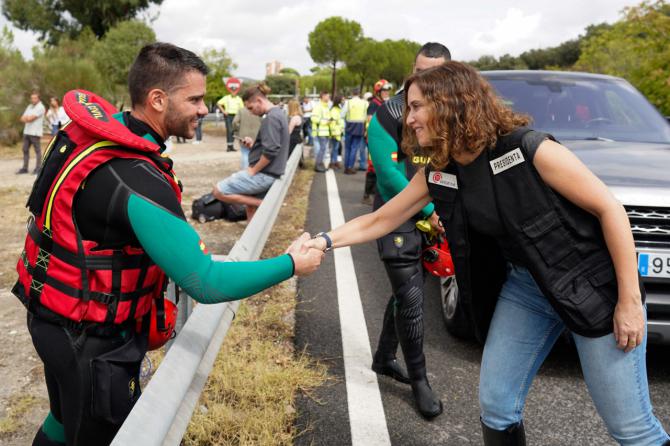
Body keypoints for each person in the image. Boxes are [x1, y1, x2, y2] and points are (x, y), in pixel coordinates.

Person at [304, 61, 670, 445]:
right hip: (527, 289)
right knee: (496, 407)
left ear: (451, 103)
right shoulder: (442, 169)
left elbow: (610, 209)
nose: (408, 118)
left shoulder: (530, 148)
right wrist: (323, 240)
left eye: (415, 106)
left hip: (592, 286)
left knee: (630, 427)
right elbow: (379, 219)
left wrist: (629, 302)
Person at [14, 43, 323, 446]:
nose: (202, 109)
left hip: (49, 318)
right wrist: (290, 264)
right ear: (157, 100)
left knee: (60, 421)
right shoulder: (135, 176)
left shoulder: (92, 138)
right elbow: (206, 282)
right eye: (194, 99)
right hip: (91, 342)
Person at [366, 42, 451, 419]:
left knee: (407, 290)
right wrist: (431, 210)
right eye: (422, 71)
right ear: (411, 70)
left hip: (439, 215)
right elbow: (389, 177)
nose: (428, 80)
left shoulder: (452, 110)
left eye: (437, 72)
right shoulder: (388, 114)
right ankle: (420, 382)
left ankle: (384, 357)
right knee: (414, 297)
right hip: (397, 216)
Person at [213, 83, 290, 220]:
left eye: (251, 107)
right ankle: (252, 238)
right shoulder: (279, 113)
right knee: (250, 207)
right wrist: (253, 145)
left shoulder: (271, 118)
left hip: (264, 174)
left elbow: (271, 150)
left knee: (219, 191)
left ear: (259, 101)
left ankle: (264, 204)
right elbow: (273, 146)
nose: (251, 112)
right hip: (270, 172)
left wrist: (253, 171)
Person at [18, 91, 46, 174]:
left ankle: (38, 168)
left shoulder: (41, 107)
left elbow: (30, 119)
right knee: (25, 149)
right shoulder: (29, 106)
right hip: (27, 131)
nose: (33, 100)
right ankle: (25, 168)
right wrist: (27, 118)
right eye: (32, 98)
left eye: (35, 98)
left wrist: (27, 118)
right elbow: (21, 118)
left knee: (37, 151)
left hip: (35, 132)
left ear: (38, 98)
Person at [342, 87, 368, 174]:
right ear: (359, 93)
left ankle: (346, 167)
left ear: (352, 93)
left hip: (349, 126)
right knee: (354, 148)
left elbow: (342, 114)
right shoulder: (364, 103)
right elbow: (366, 116)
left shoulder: (348, 102)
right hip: (360, 126)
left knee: (347, 148)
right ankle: (350, 167)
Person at [217, 84, 244, 152]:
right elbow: (218, 103)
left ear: (236, 91)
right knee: (229, 130)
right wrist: (223, 111)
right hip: (228, 115)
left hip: (236, 116)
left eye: (235, 91)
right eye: (232, 90)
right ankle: (229, 146)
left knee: (234, 130)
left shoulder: (239, 99)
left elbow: (242, 108)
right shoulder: (226, 97)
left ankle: (232, 146)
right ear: (230, 91)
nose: (233, 92)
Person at [311, 91, 331, 173]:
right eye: (327, 96)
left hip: (325, 131)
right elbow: (314, 118)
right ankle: (318, 165)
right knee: (322, 149)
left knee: (323, 149)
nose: (328, 98)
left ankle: (320, 164)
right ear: (322, 96)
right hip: (320, 131)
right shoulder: (318, 106)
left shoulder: (326, 106)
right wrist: (325, 122)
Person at [328, 95, 344, 170]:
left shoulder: (337, 109)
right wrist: (333, 132)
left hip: (338, 132)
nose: (343, 101)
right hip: (335, 133)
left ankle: (334, 162)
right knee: (335, 148)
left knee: (336, 148)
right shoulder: (334, 110)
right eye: (342, 100)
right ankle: (333, 162)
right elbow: (332, 122)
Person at [287, 99, 304, 166]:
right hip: (297, 138)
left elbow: (289, 131)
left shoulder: (294, 118)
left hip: (292, 140)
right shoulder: (299, 117)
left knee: (289, 157)